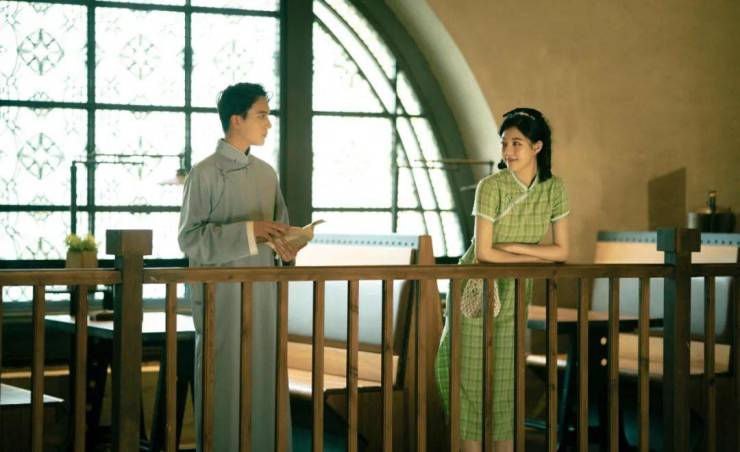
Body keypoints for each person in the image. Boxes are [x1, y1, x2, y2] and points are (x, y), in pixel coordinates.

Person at [434, 108, 570, 452]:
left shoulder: (554, 188)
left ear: (537, 146)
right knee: (470, 381)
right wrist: (534, 256)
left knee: (506, 383)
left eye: (516, 143)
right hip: (476, 288)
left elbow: (562, 251)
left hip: (516, 287)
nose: (508, 151)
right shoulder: (490, 187)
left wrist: (513, 248)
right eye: (504, 143)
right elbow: (484, 253)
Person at [178, 82, 299, 451]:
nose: (268, 124)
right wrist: (250, 230)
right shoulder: (204, 173)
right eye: (261, 116)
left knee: (266, 377)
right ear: (236, 119)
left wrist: (288, 245)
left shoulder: (267, 174)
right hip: (222, 299)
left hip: (263, 295)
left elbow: (280, 230)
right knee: (224, 380)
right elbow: (190, 239)